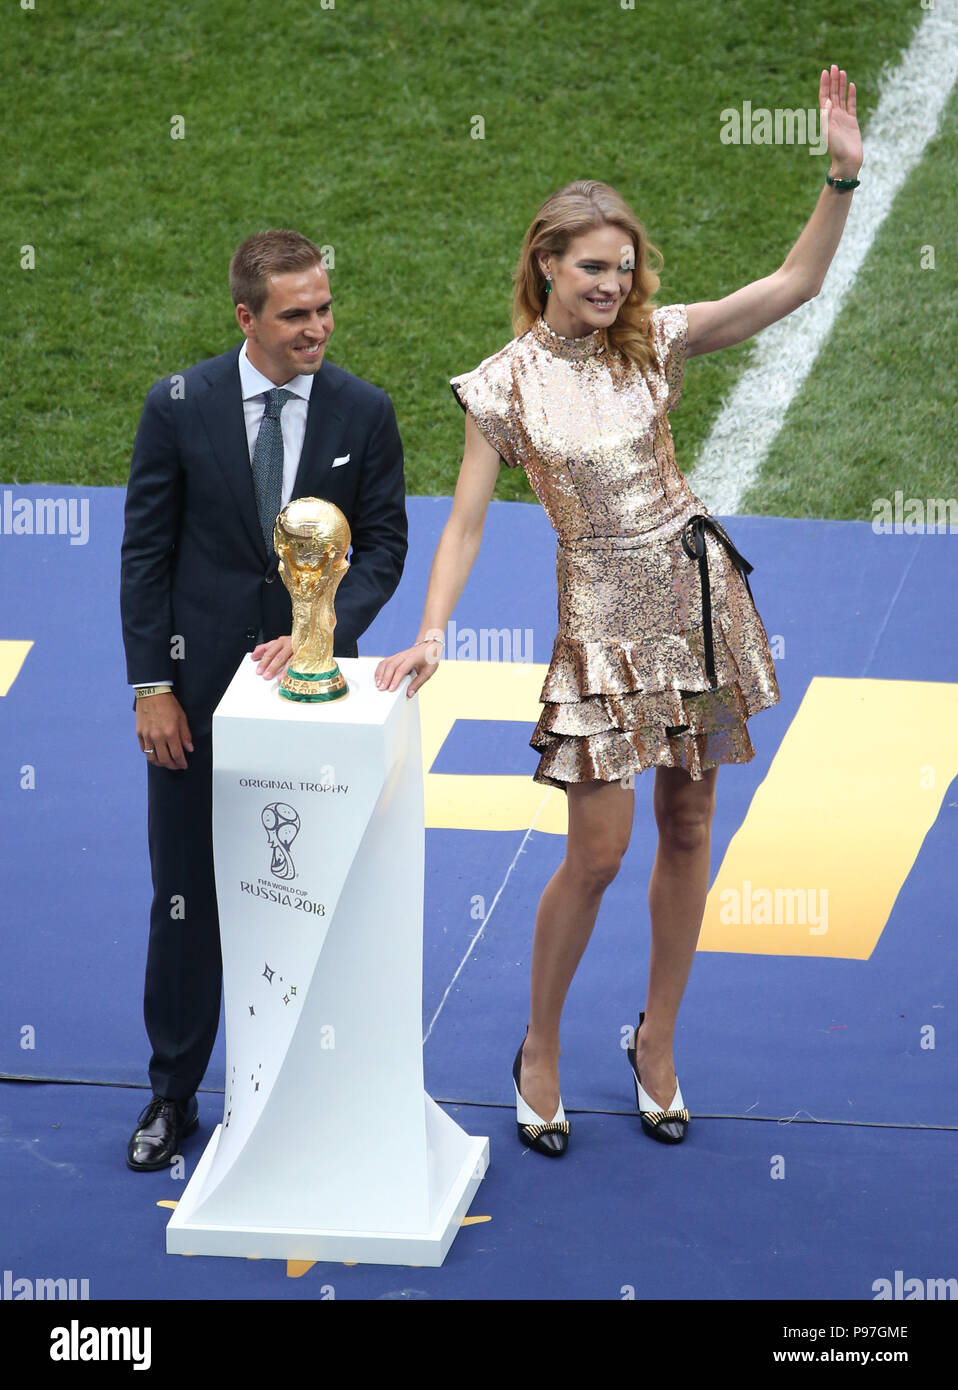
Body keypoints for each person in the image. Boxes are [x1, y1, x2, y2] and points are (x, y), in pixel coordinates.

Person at [376, 68, 862, 1155]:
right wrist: (433, 626)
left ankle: (657, 1039)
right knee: (594, 856)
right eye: (593, 266)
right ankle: (539, 1045)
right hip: (598, 621)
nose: (614, 281)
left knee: (689, 825)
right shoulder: (500, 385)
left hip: (696, 603)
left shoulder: (655, 341)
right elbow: (460, 524)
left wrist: (838, 175)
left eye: (625, 264)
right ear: (545, 263)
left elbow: (791, 284)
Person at [120, 229, 408, 1169]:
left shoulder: (363, 413)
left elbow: (387, 547)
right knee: (187, 899)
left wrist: (322, 625)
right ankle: (172, 1095)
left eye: (324, 309)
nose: (317, 328)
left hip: (313, 708)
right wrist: (153, 687)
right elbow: (146, 553)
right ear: (246, 318)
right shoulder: (179, 406)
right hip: (193, 706)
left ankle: (312, 1093)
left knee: (313, 892)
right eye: (296, 315)